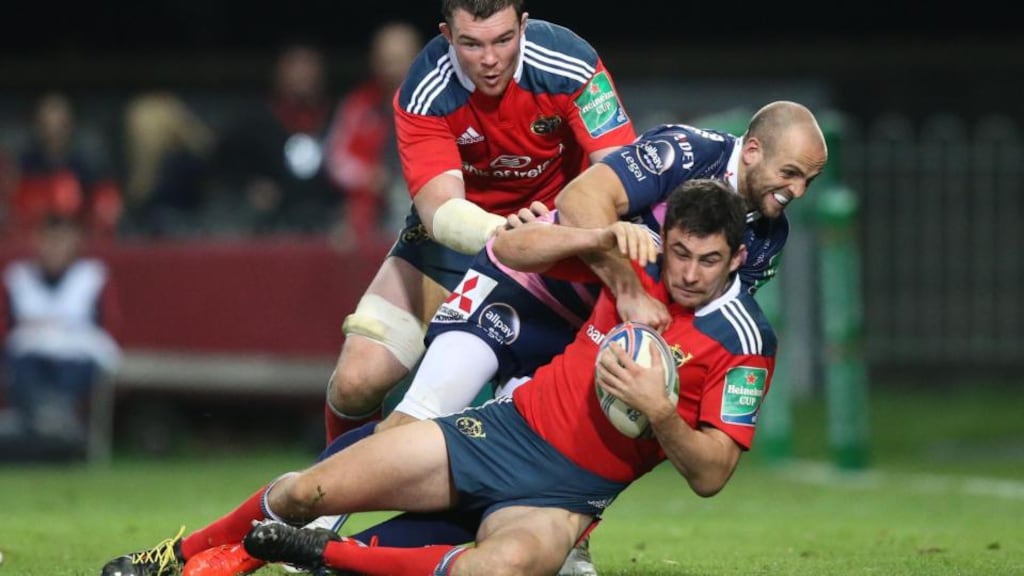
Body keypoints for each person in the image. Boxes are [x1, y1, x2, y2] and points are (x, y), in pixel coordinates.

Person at [99, 178, 776, 576]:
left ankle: (321, 554)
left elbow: (712, 474)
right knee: (311, 487)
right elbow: (509, 247)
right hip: (498, 435)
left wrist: (661, 412)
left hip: (566, 496)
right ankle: (176, 557)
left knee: (504, 567)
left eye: (707, 261)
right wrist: (601, 241)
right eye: (679, 253)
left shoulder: (745, 341)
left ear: (738, 259)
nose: (688, 274)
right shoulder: (636, 262)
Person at [305, 100, 827, 575]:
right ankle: (307, 514)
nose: (798, 191)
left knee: (528, 469)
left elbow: (702, 315)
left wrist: (663, 393)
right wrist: (625, 286)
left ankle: (344, 554)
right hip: (523, 286)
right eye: (790, 173)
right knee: (417, 418)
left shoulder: (767, 236)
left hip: (583, 330)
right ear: (752, 151)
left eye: (809, 179)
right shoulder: (687, 151)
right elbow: (582, 199)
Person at [321, 0, 634, 446]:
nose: (490, 59)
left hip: (558, 242)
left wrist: (559, 235)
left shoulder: (570, 62)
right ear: (447, 35)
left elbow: (621, 172)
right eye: (471, 44)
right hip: (459, 241)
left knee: (538, 425)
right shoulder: (424, 87)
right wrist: (509, 237)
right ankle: (332, 484)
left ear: (523, 25)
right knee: (356, 381)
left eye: (504, 40)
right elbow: (441, 211)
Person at [0, 213, 122, 461]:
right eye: (49, 240)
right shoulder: (18, 277)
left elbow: (109, 327)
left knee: (72, 372)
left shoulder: (92, 276)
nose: (55, 248)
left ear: (75, 243)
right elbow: (7, 327)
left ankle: (47, 425)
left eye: (62, 240)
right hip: (30, 356)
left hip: (76, 357)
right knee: (21, 370)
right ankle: (52, 428)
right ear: (38, 242)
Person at [205, 42, 342, 235]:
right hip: (268, 226)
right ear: (279, 73)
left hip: (329, 221)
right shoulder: (252, 123)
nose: (302, 75)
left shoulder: (342, 119)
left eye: (309, 67)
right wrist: (249, 188)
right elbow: (222, 171)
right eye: (294, 67)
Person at [323, 21, 423, 249]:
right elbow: (336, 159)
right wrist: (369, 177)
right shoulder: (358, 104)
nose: (391, 68)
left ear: (418, 58)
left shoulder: (440, 103)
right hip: (368, 208)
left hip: (424, 203)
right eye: (385, 60)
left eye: (399, 59)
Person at [11, 92, 123, 239]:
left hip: (79, 236)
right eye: (47, 125)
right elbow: (16, 209)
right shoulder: (24, 165)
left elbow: (104, 208)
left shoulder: (88, 166)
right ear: (37, 126)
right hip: (32, 238)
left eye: (60, 125)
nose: (53, 132)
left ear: (70, 125)